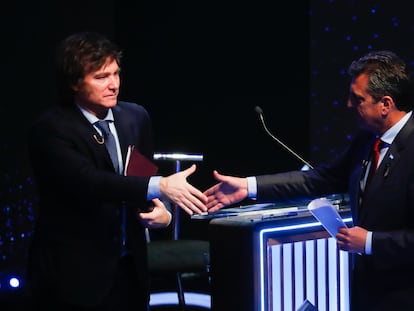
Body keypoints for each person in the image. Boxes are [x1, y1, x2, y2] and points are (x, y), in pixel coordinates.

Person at [204, 50, 414, 311]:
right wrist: (248, 186)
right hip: (369, 291)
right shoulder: (366, 140)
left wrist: (370, 242)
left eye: (357, 99)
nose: (349, 105)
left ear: (385, 104)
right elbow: (320, 179)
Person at [26, 31, 207, 311]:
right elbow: (89, 182)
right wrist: (161, 185)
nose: (113, 85)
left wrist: (161, 211)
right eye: (101, 77)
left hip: (129, 267)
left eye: (116, 74)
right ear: (74, 83)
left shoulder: (135, 117)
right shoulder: (52, 128)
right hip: (74, 272)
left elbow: (140, 177)